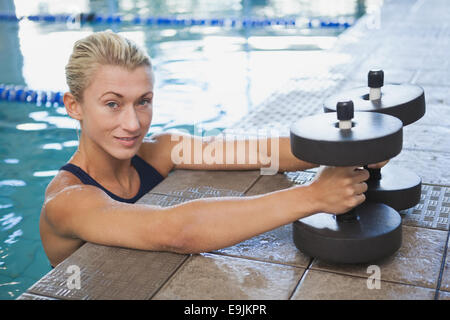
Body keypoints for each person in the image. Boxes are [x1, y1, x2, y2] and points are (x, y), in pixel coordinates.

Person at [40, 30, 385, 268]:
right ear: (74, 106)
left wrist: (350, 149)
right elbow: (176, 232)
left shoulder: (159, 150)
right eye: (113, 104)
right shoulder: (68, 201)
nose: (133, 123)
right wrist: (313, 197)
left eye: (143, 102)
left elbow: (258, 153)